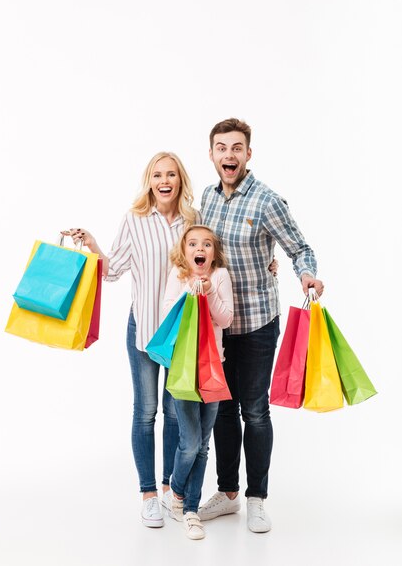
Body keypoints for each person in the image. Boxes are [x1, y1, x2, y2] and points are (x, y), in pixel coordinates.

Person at [198, 118, 324, 533]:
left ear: (248, 154)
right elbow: (199, 249)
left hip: (255, 324)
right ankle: (229, 492)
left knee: (254, 411)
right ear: (213, 154)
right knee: (222, 411)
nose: (228, 155)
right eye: (221, 148)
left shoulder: (268, 201)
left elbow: (299, 247)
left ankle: (256, 498)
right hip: (218, 325)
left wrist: (305, 274)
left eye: (236, 148)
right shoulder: (208, 197)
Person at [63, 152, 198, 528]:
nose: (164, 180)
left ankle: (171, 489)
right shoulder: (135, 220)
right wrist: (92, 245)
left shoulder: (193, 221)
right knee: (146, 412)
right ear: (150, 181)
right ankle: (148, 494)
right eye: (158, 175)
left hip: (179, 334)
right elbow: (113, 270)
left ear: (180, 180)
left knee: (174, 413)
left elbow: (210, 259)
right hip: (143, 328)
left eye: (171, 174)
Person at [162, 225, 234, 539]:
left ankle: (191, 510)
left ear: (213, 253)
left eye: (206, 244)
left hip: (214, 369)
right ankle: (176, 493)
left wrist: (210, 292)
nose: (199, 249)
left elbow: (226, 319)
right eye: (192, 244)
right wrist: (189, 291)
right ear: (185, 251)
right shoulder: (177, 277)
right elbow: (168, 316)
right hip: (184, 370)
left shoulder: (219, 277)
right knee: (190, 442)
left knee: (203, 445)